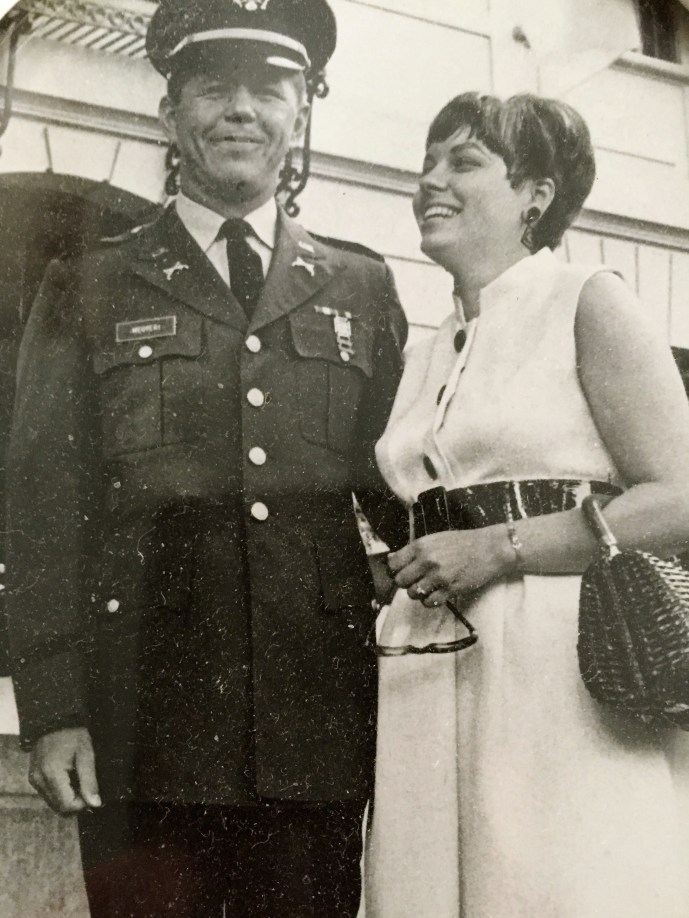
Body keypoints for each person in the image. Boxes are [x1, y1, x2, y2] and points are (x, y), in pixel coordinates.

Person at [5, 1, 407, 915]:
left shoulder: (363, 286)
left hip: (313, 730)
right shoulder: (90, 282)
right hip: (138, 725)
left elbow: (403, 495)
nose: (242, 110)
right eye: (214, 88)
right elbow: (40, 511)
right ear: (169, 117)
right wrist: (56, 710)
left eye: (269, 89)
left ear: (299, 115)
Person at [363, 92, 689, 918]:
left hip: (555, 667)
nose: (429, 182)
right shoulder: (428, 348)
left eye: (462, 163)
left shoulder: (587, 297)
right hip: (430, 666)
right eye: (426, 163)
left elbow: (681, 494)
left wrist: (497, 549)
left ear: (535, 196)